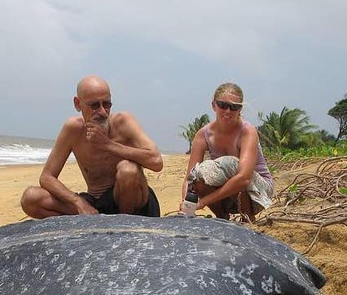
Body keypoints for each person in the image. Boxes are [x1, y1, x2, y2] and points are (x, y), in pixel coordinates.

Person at [21, 76, 163, 218]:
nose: (102, 112)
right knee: (31, 198)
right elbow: (47, 177)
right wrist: (77, 201)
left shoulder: (123, 122)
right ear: (78, 104)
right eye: (94, 105)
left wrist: (107, 144)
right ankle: (97, 221)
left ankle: (124, 225)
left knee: (128, 170)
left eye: (106, 104)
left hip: (132, 203)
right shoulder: (74, 129)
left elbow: (156, 162)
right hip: (95, 204)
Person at [181, 82, 274, 221]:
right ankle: (222, 217)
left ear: (240, 109)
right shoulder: (203, 135)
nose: (228, 111)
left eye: (234, 107)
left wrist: (202, 203)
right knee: (198, 177)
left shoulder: (247, 131)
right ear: (214, 105)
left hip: (259, 193)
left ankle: (248, 219)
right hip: (227, 193)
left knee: (231, 164)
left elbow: (244, 178)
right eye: (223, 105)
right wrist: (186, 203)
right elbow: (190, 177)